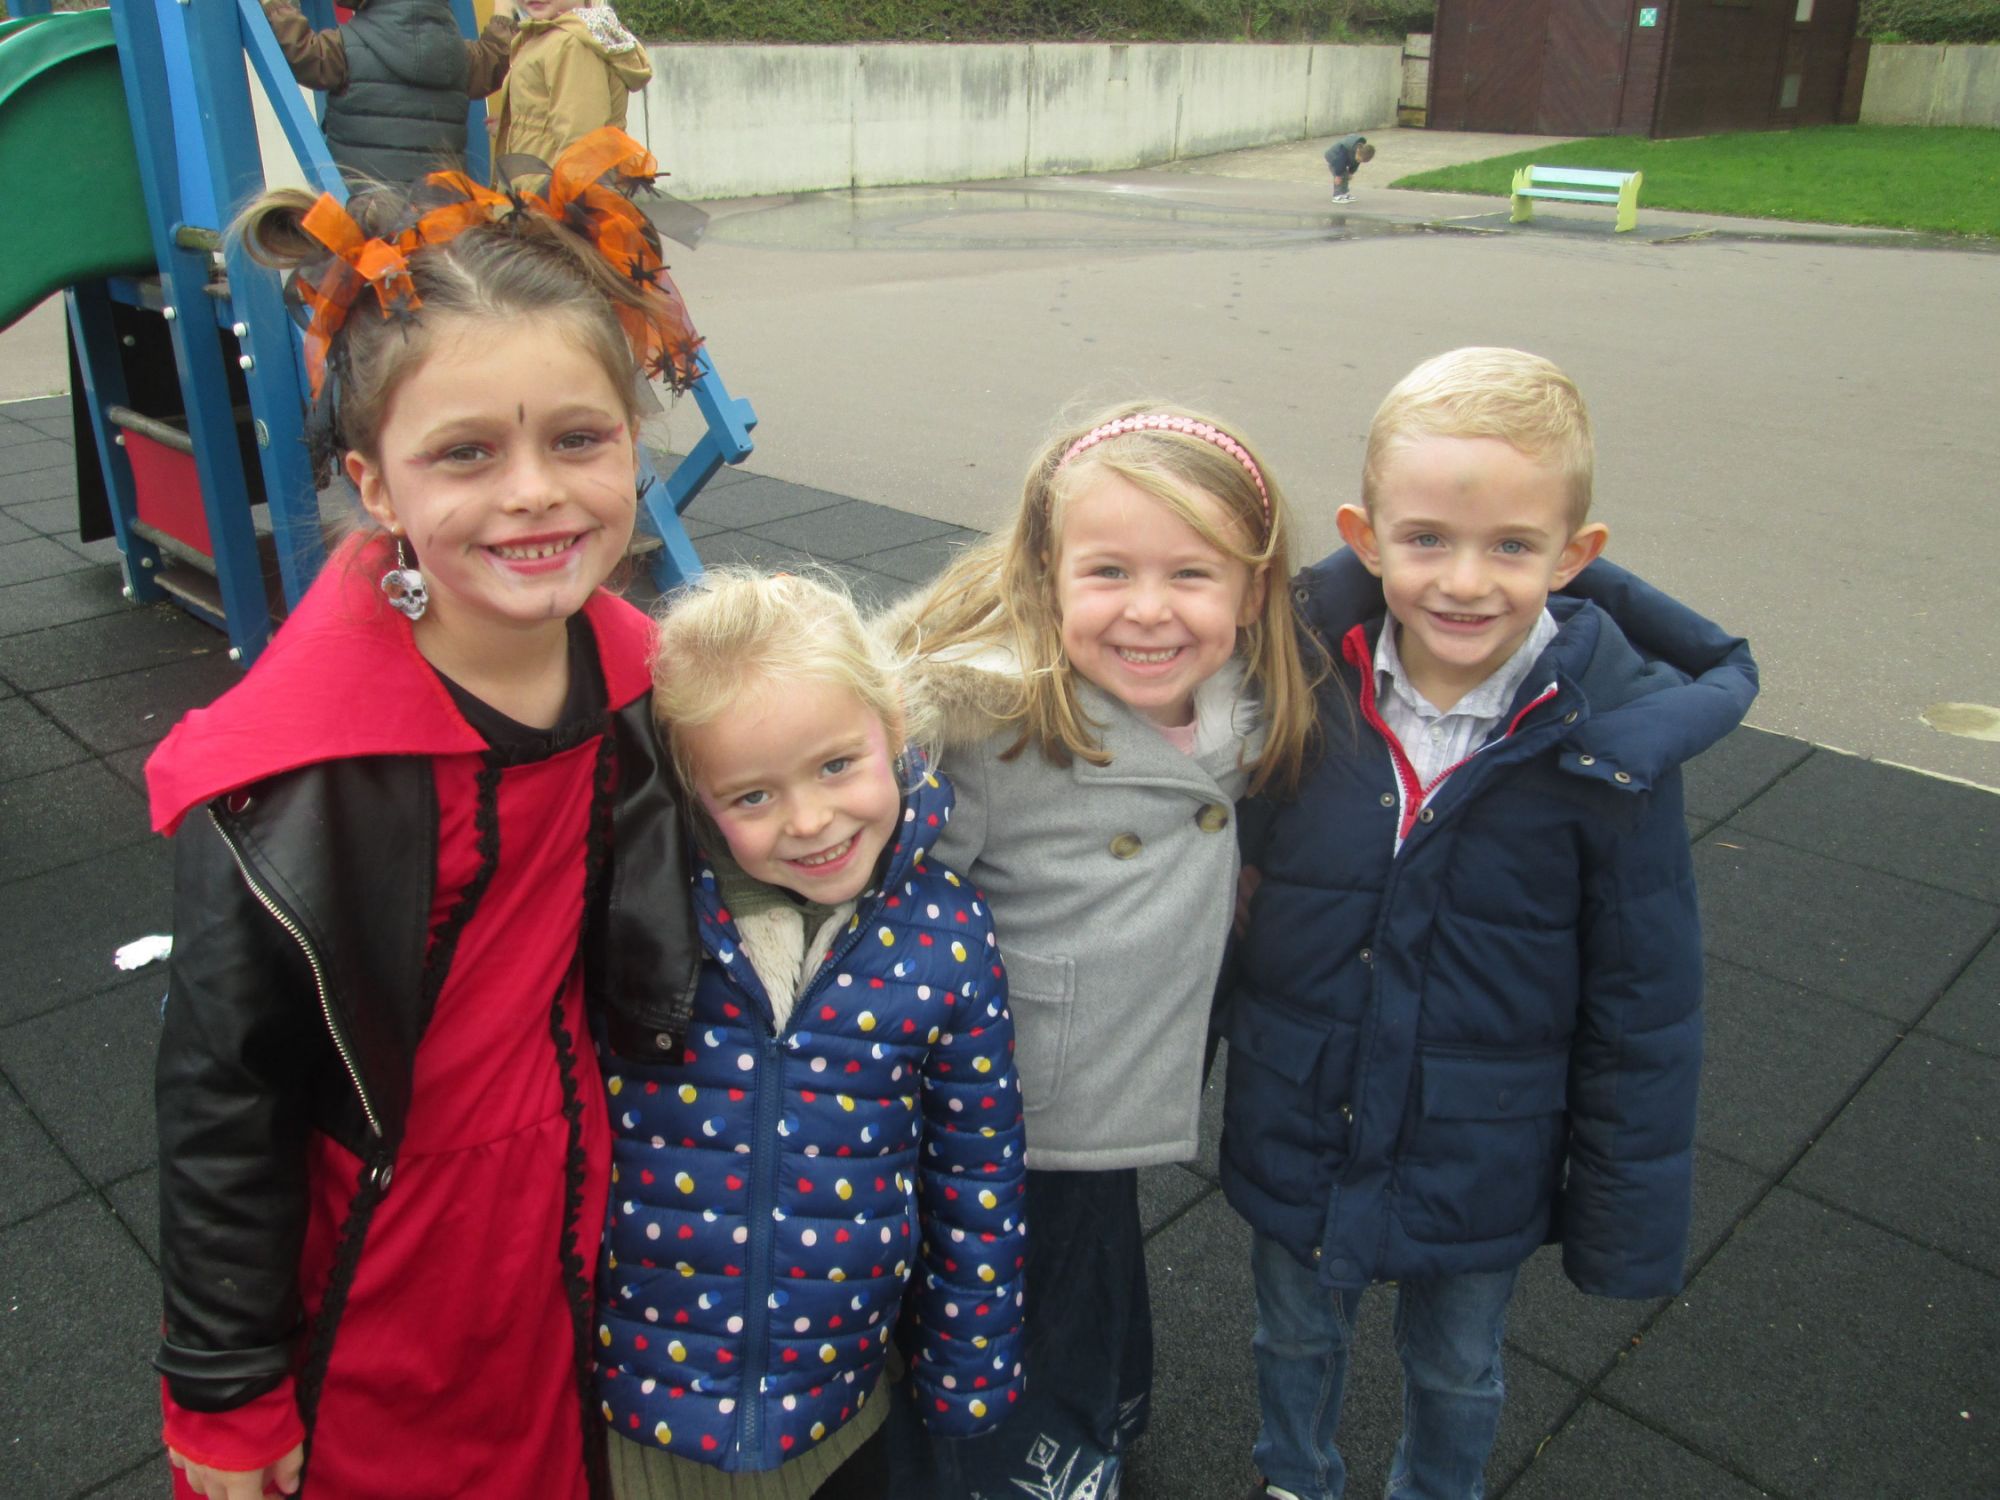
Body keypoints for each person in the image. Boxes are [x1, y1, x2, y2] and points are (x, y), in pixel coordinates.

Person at [144, 132, 705, 1500]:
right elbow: (225, 1087)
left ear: (632, 445)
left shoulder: (642, 674)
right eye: (465, 453)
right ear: (376, 486)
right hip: (386, 1235)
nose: (533, 491)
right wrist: (224, 1381)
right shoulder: (293, 778)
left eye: (578, 439)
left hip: (577, 1192)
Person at [1222, 347, 1759, 1500]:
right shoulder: (1300, 688)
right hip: (1303, 1107)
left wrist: (1621, 1213)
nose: (1463, 582)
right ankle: (1294, 1477)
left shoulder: (1607, 751)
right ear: (1364, 538)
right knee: (1293, 1333)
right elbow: (1221, 881)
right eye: (1425, 539)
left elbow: (1644, 999)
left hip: (1483, 1139)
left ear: (1572, 555)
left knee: (1456, 1363)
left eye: (1510, 547)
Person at [883, 404, 1322, 1498]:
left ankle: (1110, 1409)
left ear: (1253, 592)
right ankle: (1042, 1462)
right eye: (1109, 571)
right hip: (1015, 1094)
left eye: (1191, 574)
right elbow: (901, 905)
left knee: (1093, 1253)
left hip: (1122, 1063)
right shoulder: (992, 725)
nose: (1148, 610)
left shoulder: (1243, 697)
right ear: (1047, 576)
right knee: (1017, 1289)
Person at [592, 567, 1027, 1499]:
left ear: (894, 728)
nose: (811, 819)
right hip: (637, 1404)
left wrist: (968, 1363)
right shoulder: (643, 916)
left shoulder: (945, 934)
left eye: (836, 766)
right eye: (751, 796)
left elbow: (977, 1170)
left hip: (842, 1395)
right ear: (693, 794)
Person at [260, 0, 518, 185]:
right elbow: (494, 60)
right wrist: (504, 18)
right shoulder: (459, 55)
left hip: (366, 205)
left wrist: (276, 7)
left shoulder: (346, 46)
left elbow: (303, 54)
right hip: (437, 209)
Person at [490, 0, 653, 187]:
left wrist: (565, 198)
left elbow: (581, 144)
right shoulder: (547, 36)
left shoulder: (571, 42)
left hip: (553, 195)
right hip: (536, 189)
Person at [1324, 133, 1374, 203]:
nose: (1359, 161)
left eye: (1360, 161)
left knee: (1346, 176)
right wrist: (1338, 175)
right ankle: (1337, 195)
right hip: (1334, 158)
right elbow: (1340, 162)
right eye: (1359, 159)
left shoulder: (1359, 152)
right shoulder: (1345, 149)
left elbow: (1356, 163)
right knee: (1341, 176)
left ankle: (1344, 193)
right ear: (1357, 151)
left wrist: (1351, 172)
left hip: (1342, 162)